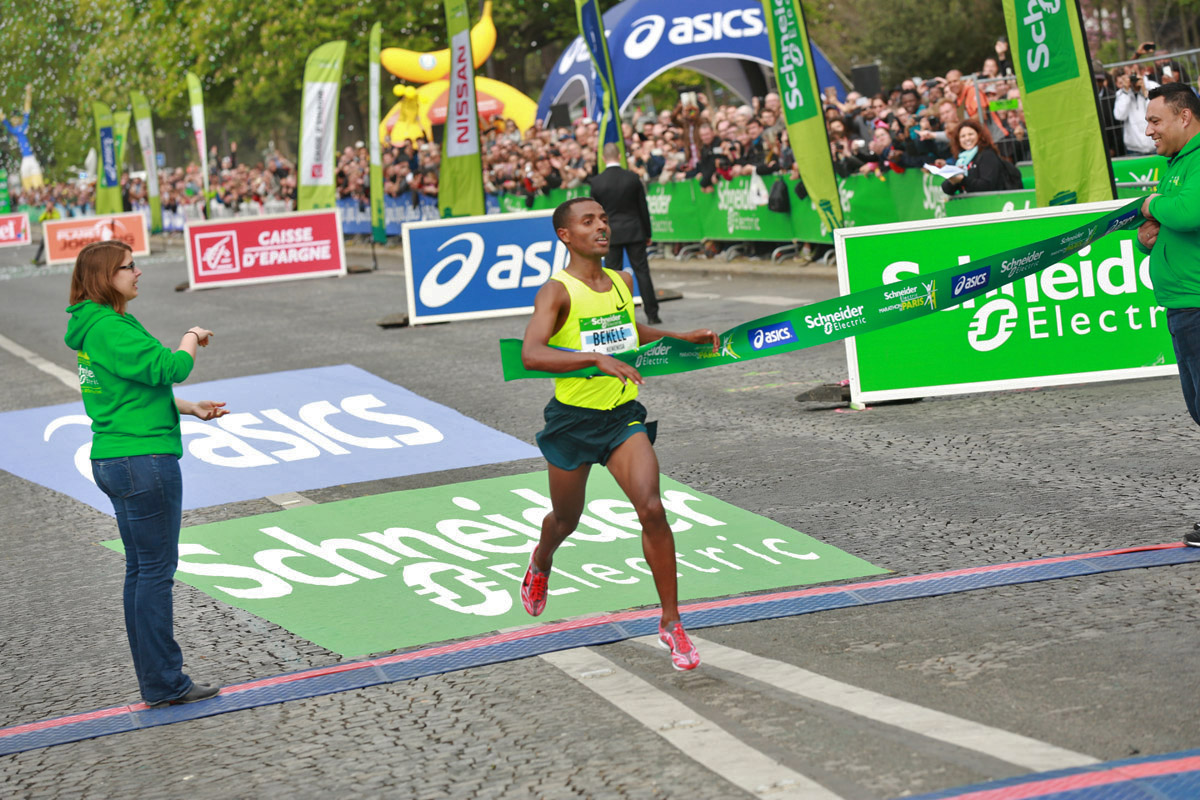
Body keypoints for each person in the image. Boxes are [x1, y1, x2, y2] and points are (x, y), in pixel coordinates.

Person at [518, 197, 719, 670]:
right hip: (572, 422)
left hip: (620, 417)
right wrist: (593, 360)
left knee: (652, 507)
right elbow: (531, 353)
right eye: (588, 222)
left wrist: (680, 337)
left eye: (604, 220)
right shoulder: (557, 291)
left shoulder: (621, 281)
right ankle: (542, 561)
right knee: (566, 520)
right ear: (565, 235)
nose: (602, 227)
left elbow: (625, 331)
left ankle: (670, 622)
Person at [64, 241, 227, 707]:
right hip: (143, 460)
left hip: (117, 456)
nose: (138, 272)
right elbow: (169, 367)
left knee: (142, 571)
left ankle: (158, 679)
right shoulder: (111, 328)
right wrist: (192, 336)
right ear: (104, 277)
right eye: (128, 267)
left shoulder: (94, 326)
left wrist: (187, 408)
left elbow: (130, 388)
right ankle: (165, 681)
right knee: (155, 572)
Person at [1134, 83, 1200, 547]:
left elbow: (1190, 212)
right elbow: (1171, 222)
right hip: (1181, 304)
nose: (1148, 129)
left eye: (1156, 120)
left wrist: (1152, 205)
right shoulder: (1173, 165)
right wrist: (1147, 236)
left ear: (1185, 117)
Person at [587, 142, 660, 325]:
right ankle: (652, 314)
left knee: (612, 274)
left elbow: (595, 213)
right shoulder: (632, 178)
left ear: (603, 159)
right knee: (642, 272)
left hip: (610, 233)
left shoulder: (597, 182)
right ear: (620, 156)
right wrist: (648, 232)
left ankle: (616, 315)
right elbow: (643, 207)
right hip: (635, 230)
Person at [940, 120, 1009, 195]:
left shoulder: (987, 155)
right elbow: (946, 189)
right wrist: (952, 181)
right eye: (963, 136)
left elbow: (987, 186)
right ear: (958, 140)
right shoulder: (961, 159)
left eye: (970, 134)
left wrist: (962, 180)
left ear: (979, 135)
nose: (967, 138)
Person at [1114, 68, 1160, 154]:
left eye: (1135, 74)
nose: (1133, 78)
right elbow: (1119, 116)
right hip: (1134, 149)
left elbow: (1158, 111)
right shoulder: (1121, 93)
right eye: (1130, 75)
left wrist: (1145, 91)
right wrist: (1126, 92)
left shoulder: (1153, 86)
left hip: (1156, 145)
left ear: (1142, 73)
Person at [32, 201, 59, 265]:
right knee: (41, 246)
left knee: (54, 247)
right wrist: (46, 212)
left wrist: (52, 212)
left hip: (53, 233)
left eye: (50, 206)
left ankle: (55, 258)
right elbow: (40, 219)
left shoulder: (55, 212)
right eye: (48, 206)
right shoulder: (45, 212)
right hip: (46, 234)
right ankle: (36, 259)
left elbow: (58, 219)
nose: (49, 208)